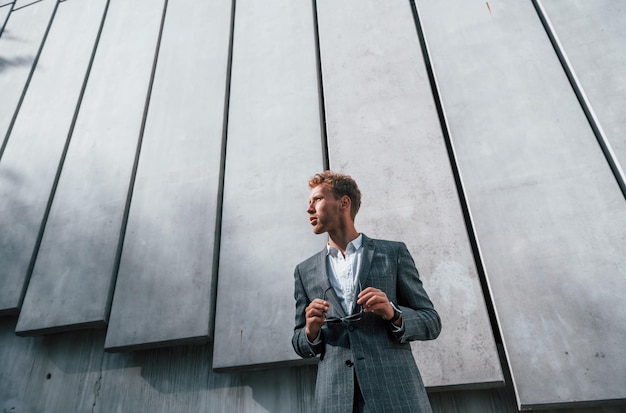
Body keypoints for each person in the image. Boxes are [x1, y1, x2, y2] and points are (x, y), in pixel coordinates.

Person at [292, 171, 441, 413]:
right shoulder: (304, 271)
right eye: (309, 202)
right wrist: (310, 330)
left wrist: (393, 312)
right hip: (335, 400)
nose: (309, 209)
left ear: (344, 203)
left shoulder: (393, 253)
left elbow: (431, 322)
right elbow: (299, 341)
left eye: (317, 199)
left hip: (396, 394)